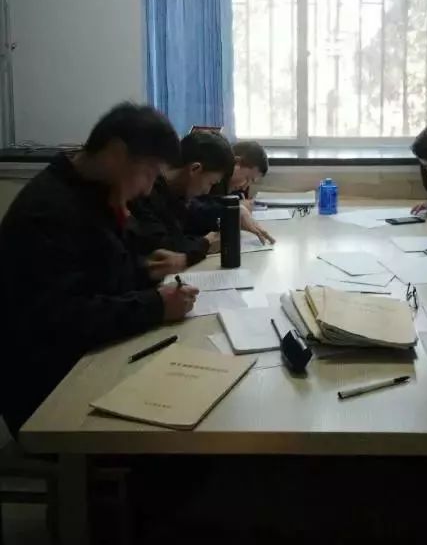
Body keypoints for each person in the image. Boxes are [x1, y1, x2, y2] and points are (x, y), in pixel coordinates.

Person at [0, 103, 199, 436]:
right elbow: (64, 317)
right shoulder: (48, 210)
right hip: (52, 390)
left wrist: (144, 271)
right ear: (117, 153)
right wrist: (156, 305)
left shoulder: (94, 193)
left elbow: (99, 276)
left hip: (93, 356)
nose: (147, 189)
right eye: (149, 173)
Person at [129, 130, 236, 270]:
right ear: (195, 169)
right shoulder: (147, 193)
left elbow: (182, 235)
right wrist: (206, 243)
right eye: (211, 183)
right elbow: (165, 249)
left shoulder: (176, 195)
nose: (207, 191)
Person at [186, 139, 275, 245]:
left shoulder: (228, 185)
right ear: (236, 163)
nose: (245, 186)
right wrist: (233, 211)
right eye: (247, 178)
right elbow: (195, 208)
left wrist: (239, 205)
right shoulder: (210, 180)